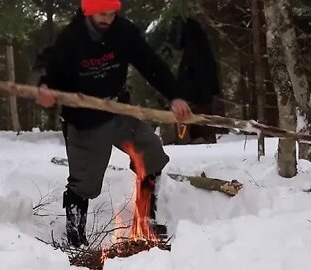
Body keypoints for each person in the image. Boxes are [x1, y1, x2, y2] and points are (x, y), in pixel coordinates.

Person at [37, 0, 192, 247]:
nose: (108, 19)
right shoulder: (71, 39)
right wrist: (45, 89)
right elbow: (50, 73)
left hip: (119, 109)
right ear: (87, 10)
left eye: (112, 13)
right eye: (102, 13)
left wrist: (175, 95)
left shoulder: (123, 32)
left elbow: (151, 64)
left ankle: (145, 220)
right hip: (84, 118)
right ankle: (76, 239)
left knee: (150, 153)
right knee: (85, 182)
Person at [169, 16, 221, 144]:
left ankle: (197, 139)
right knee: (199, 119)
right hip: (199, 92)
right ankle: (198, 138)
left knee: (198, 118)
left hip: (196, 93)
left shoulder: (195, 50)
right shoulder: (200, 48)